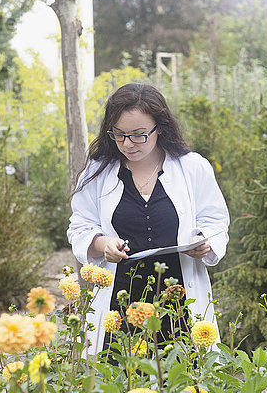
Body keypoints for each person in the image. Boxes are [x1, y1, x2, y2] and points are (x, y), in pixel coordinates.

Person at [67, 83, 229, 356]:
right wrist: (102, 243)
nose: (128, 144)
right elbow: (80, 226)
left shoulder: (193, 167)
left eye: (139, 135)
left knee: (183, 376)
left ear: (160, 128)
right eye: (119, 135)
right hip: (119, 306)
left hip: (179, 304)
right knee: (120, 377)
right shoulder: (97, 172)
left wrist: (204, 241)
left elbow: (215, 220)